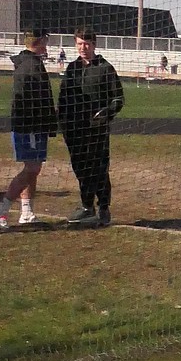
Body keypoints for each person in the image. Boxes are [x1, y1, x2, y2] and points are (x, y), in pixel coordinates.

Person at [57, 28, 125, 227]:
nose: (83, 48)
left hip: (97, 130)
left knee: (99, 168)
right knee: (81, 168)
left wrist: (105, 113)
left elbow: (118, 98)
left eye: (86, 44)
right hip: (74, 129)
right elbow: (63, 98)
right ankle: (87, 207)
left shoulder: (105, 68)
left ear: (94, 45)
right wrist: (62, 121)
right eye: (79, 43)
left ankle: (103, 207)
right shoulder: (72, 68)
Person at [0, 28, 57, 227]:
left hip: (32, 125)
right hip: (30, 126)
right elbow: (34, 100)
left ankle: (26, 211)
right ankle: (2, 209)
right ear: (41, 41)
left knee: (33, 169)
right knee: (31, 169)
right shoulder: (30, 66)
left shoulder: (30, 63)